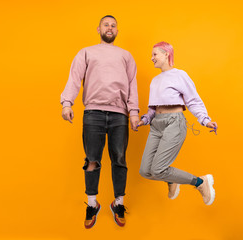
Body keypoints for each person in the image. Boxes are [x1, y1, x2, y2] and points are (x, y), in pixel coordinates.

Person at [60, 15, 140, 228]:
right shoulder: (86, 52)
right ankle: (93, 204)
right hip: (93, 113)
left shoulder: (126, 56)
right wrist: (66, 103)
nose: (110, 27)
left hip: (119, 115)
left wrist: (133, 112)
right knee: (92, 160)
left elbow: (132, 84)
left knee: (120, 159)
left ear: (117, 31)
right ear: (98, 29)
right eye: (106, 24)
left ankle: (118, 203)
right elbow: (74, 78)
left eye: (113, 25)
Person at [137, 41, 217, 205]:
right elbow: (154, 108)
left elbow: (193, 100)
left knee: (158, 169)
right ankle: (171, 180)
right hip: (156, 125)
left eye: (154, 54)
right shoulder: (155, 80)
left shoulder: (180, 75)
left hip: (174, 123)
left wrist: (205, 120)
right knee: (145, 171)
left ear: (166, 54)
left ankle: (200, 183)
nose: (151, 58)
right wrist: (144, 119)